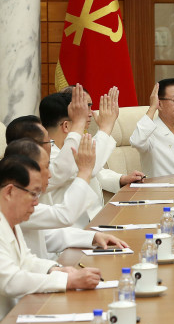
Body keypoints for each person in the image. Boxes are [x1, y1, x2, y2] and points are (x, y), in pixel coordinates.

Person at [0, 155, 101, 321]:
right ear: (10, 192)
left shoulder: (12, 220)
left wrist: (56, 269)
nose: (36, 202)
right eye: (33, 194)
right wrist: (67, 281)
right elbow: (10, 281)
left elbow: (26, 261)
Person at [4, 138, 127, 259]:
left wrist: (93, 237)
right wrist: (84, 172)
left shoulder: (19, 202)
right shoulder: (15, 207)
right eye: (46, 167)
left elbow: (47, 236)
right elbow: (64, 215)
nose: (50, 174)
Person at [40, 85, 142, 223]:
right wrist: (106, 127)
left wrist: (121, 179)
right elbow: (87, 168)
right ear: (66, 125)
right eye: (83, 109)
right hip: (70, 229)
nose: (89, 114)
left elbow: (96, 171)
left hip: (95, 219)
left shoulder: (76, 142)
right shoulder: (44, 157)